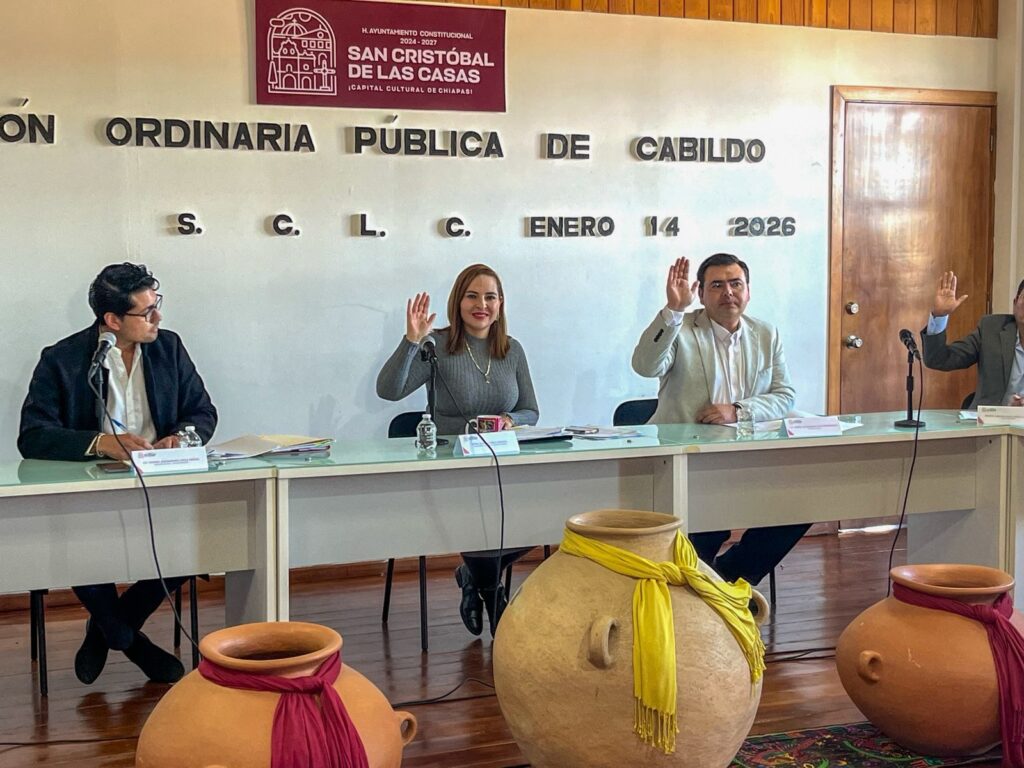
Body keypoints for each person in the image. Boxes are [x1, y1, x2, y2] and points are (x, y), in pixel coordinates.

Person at [19, 262, 217, 685]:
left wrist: (182, 438)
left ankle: (109, 626)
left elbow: (202, 411)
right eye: (146, 312)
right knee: (81, 546)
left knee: (197, 540)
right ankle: (130, 640)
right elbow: (33, 436)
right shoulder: (62, 359)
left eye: (156, 305)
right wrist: (100, 443)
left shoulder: (169, 348)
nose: (157, 317)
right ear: (112, 320)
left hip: (161, 481)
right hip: (90, 491)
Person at [376, 263, 539, 636]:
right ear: (457, 302)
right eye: (472, 296)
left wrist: (510, 420)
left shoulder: (512, 350)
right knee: (476, 517)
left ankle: (472, 574)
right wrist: (411, 341)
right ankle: (493, 596)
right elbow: (388, 390)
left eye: (490, 297)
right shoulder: (437, 346)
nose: (481, 305)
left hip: (500, 462)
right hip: (450, 468)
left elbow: (531, 410)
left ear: (500, 304)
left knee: (542, 515)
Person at [631, 253, 806, 587]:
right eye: (717, 285)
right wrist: (673, 311)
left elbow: (785, 395)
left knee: (797, 509)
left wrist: (738, 410)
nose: (728, 292)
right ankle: (702, 586)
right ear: (701, 294)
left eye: (736, 283)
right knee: (705, 531)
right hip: (687, 462)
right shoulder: (681, 328)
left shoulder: (765, 333)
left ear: (748, 291)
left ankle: (727, 579)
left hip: (748, 458)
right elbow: (645, 366)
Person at [921, 271, 1024, 407]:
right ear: (1015, 303)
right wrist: (940, 316)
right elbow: (937, 359)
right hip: (989, 419)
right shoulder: (991, 329)